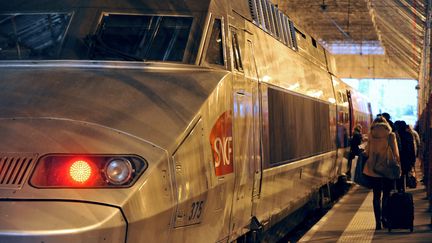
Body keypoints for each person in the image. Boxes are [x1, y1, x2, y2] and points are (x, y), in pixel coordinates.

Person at [363, 116, 400, 230]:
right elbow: (396, 154)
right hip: (387, 170)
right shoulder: (390, 135)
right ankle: (385, 219)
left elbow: (367, 152)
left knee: (376, 197)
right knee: (386, 196)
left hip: (374, 170)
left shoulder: (371, 135)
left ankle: (377, 223)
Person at [394, 120, 416, 191]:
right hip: (406, 158)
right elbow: (412, 148)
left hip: (396, 159)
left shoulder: (394, 135)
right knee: (404, 174)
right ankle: (403, 189)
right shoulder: (408, 135)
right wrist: (413, 160)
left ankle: (398, 189)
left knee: (397, 175)